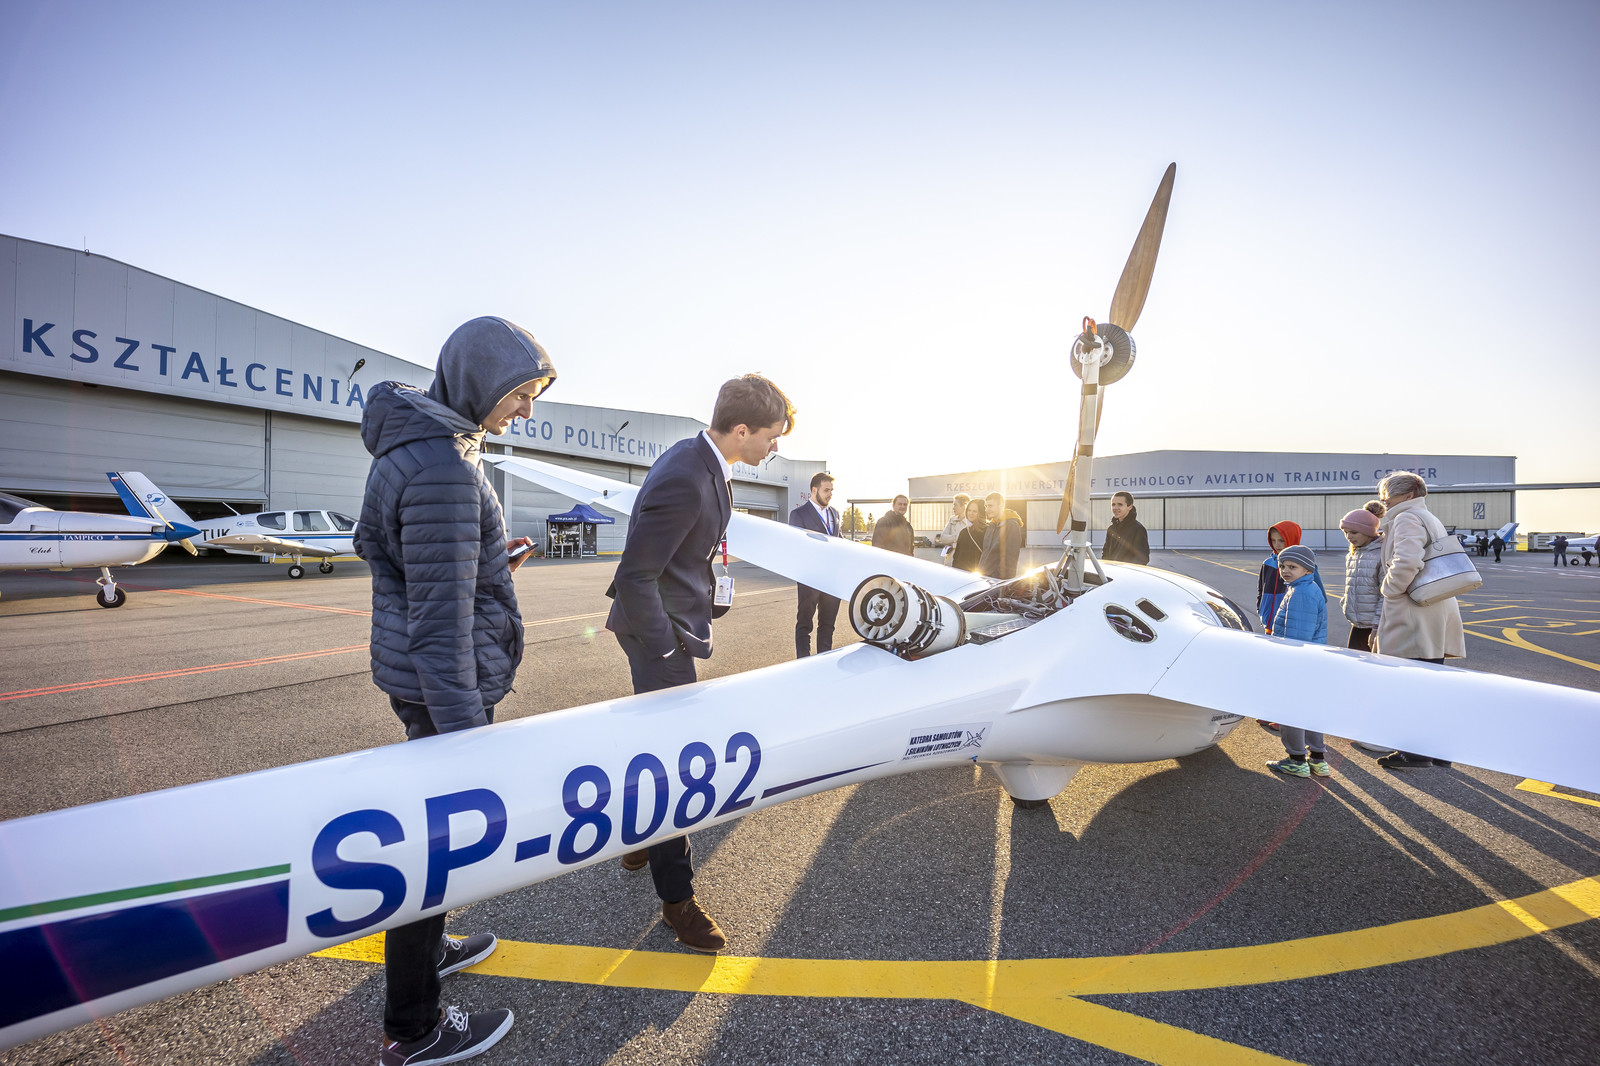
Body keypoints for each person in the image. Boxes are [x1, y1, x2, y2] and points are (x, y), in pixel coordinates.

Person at [355, 315, 556, 1065]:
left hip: (424, 676)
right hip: (445, 682)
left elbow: (415, 569)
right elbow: (439, 628)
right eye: (520, 393)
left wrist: (487, 562)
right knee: (432, 849)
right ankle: (415, 1027)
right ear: (478, 382)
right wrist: (471, 740)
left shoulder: (423, 446)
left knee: (433, 839)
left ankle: (430, 955)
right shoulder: (442, 466)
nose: (526, 411)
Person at [610, 374, 794, 951]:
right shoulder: (688, 477)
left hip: (674, 623)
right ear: (741, 430)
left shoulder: (707, 463)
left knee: (656, 746)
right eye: (771, 436)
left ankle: (639, 842)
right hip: (657, 637)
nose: (774, 447)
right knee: (674, 765)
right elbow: (634, 576)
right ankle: (677, 902)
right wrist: (667, 648)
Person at [1373, 472, 1465, 771]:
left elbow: (1408, 560)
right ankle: (1436, 749)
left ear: (1408, 494)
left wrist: (1389, 589)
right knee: (1429, 683)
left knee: (1410, 685)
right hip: (1432, 606)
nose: (1384, 503)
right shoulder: (1427, 516)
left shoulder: (1406, 518)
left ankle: (1413, 752)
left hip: (1413, 610)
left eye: (1388, 497)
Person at [1265, 545, 1331, 778]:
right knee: (1310, 711)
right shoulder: (1306, 588)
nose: (1285, 571)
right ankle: (1318, 760)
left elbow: (1297, 637)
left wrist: (1286, 663)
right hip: (1309, 663)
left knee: (1291, 712)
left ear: (1307, 569)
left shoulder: (1301, 593)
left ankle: (1296, 760)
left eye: (1292, 566)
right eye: (1283, 566)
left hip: (1297, 663)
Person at [789, 471, 841, 657]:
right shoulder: (799, 514)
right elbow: (796, 546)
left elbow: (839, 541)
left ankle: (823, 661)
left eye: (831, 490)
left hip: (832, 580)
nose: (830, 494)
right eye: (826, 490)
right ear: (814, 490)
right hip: (810, 578)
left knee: (828, 625)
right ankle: (803, 662)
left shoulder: (834, 513)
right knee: (805, 624)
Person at [1339, 506, 1384, 652]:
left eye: (1354, 532)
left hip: (1374, 626)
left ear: (1368, 532)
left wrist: (1377, 625)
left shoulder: (1381, 555)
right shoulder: (1353, 554)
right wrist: (1345, 602)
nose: (1349, 536)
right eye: (1345, 532)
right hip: (1357, 624)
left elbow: (1385, 595)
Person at [1256, 520, 1305, 634]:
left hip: (1290, 625)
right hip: (1268, 621)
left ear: (1292, 539)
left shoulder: (1301, 565)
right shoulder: (1267, 563)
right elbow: (1261, 590)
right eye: (1273, 540)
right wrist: (1260, 609)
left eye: (1281, 540)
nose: (1276, 545)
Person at [979, 491, 1024, 579]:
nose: (986, 510)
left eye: (990, 506)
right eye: (986, 506)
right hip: (984, 577)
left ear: (1001, 505)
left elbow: (1010, 557)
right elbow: (985, 553)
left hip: (997, 581)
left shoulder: (1012, 525)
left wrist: (997, 578)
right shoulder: (991, 526)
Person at [1102, 490, 1151, 565]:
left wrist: (1126, 570)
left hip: (1126, 572)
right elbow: (1105, 553)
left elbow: (1142, 559)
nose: (1115, 508)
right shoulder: (1111, 529)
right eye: (1113, 504)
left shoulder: (1137, 529)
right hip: (1111, 571)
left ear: (1130, 507)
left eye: (1120, 504)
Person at [933, 493, 972, 564]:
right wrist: (957, 538)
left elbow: (968, 544)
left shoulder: (969, 522)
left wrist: (952, 544)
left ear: (963, 506)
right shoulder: (952, 519)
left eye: (955, 505)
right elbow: (943, 538)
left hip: (963, 561)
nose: (953, 508)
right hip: (949, 561)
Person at [952, 498, 987, 572]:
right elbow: (956, 557)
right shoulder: (964, 532)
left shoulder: (987, 531)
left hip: (979, 574)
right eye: (969, 510)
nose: (971, 513)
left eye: (975, 511)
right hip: (962, 573)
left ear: (981, 513)